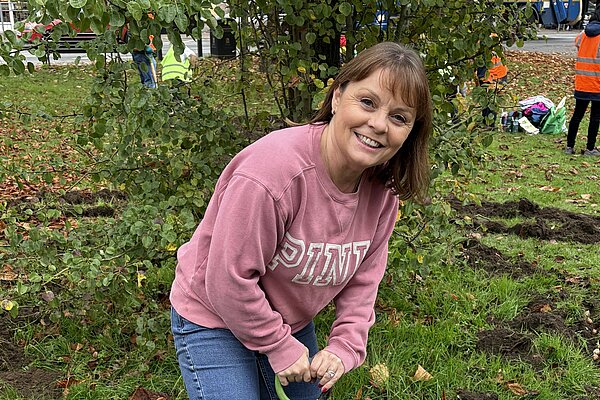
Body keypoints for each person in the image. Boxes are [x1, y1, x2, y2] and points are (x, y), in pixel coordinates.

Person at [169, 41, 432, 400]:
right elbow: (227, 281)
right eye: (367, 102)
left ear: (410, 132)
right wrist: (279, 346)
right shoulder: (272, 175)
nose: (378, 124)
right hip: (214, 314)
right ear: (338, 96)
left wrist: (344, 347)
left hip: (288, 321)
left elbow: (362, 283)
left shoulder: (382, 192)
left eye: (399, 117)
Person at [565, 7, 600, 156]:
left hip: (582, 82)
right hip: (597, 83)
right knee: (595, 117)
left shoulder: (582, 35)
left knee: (577, 115)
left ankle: (569, 146)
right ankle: (590, 148)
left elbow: (577, 43)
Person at [475, 36, 508, 128]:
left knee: (490, 102)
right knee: (489, 101)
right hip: (501, 74)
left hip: (493, 76)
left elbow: (482, 67)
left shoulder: (482, 43)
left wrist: (483, 80)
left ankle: (489, 125)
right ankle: (486, 122)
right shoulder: (493, 37)